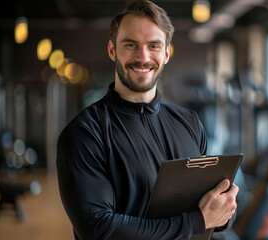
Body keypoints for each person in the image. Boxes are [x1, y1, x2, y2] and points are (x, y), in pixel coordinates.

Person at [56, 0, 239, 239]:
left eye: (153, 46)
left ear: (166, 53)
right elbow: (99, 229)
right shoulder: (85, 133)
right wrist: (198, 221)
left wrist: (225, 208)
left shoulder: (189, 122)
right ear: (112, 50)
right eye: (131, 45)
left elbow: (211, 206)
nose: (143, 57)